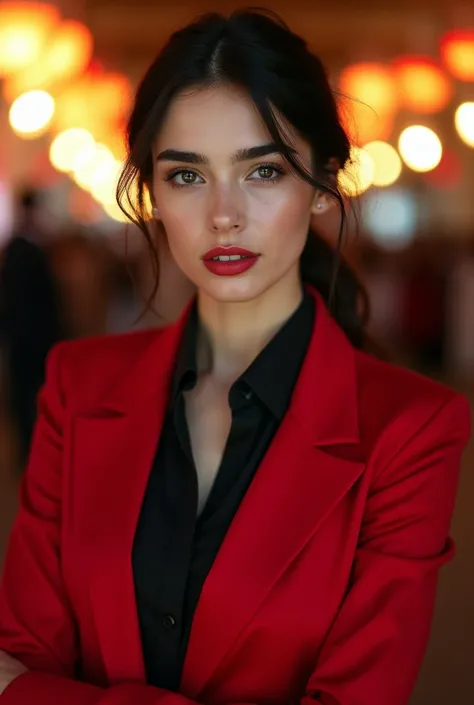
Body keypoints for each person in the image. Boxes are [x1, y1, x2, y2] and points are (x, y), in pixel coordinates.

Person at [0, 10, 470, 705]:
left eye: (263, 170)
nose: (224, 213)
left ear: (321, 184)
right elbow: (23, 651)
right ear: (152, 192)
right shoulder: (78, 387)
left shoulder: (412, 428)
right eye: (187, 175)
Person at [0, 188, 63, 467]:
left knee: (25, 397)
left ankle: (32, 451)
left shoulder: (17, 249)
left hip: (23, 338)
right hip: (35, 337)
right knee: (33, 397)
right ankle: (34, 451)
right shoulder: (34, 249)